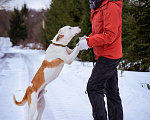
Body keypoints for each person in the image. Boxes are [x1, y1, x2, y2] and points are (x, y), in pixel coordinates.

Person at [78, 0, 123, 120]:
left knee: (93, 87)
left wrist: (89, 42)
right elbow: (99, 32)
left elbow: (110, 34)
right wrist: (88, 38)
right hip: (104, 54)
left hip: (109, 55)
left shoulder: (111, 7)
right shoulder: (97, 6)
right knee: (111, 91)